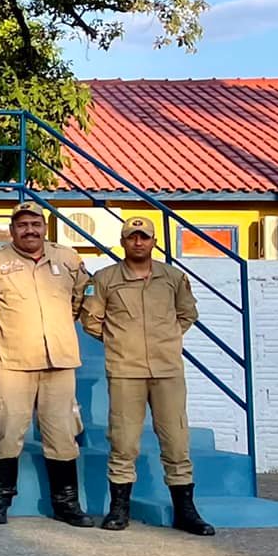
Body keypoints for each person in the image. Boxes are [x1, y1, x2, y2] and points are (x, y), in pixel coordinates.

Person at [81, 218, 213, 536]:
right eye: (131, 237)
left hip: (167, 371)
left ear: (154, 242)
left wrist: (165, 339)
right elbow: (91, 320)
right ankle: (119, 509)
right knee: (123, 441)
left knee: (176, 440)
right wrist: (120, 342)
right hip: (126, 371)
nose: (138, 242)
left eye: (144, 237)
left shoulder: (173, 277)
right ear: (123, 242)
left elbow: (187, 313)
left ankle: (186, 511)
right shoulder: (106, 279)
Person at [0, 202, 89, 526]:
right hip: (11, 361)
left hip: (59, 361)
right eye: (22, 224)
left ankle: (66, 504)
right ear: (12, 230)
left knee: (63, 433)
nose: (30, 230)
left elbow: (82, 295)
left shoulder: (68, 259)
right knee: (5, 432)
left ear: (45, 227)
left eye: (35, 223)